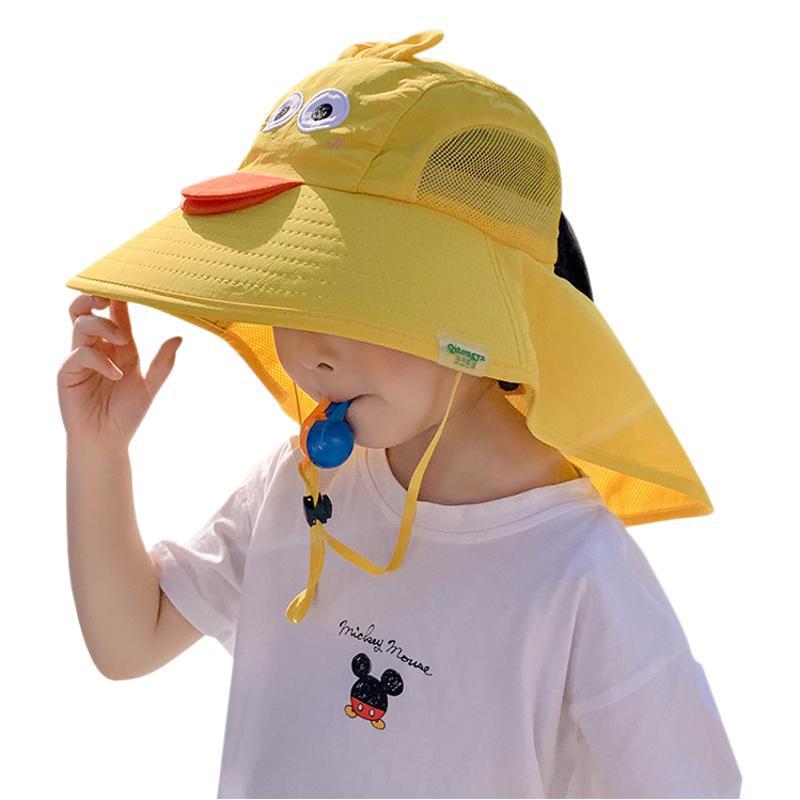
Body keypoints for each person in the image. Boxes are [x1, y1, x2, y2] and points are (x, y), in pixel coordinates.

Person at [59, 29, 743, 798]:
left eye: (357, 301)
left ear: (480, 314)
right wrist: (98, 451)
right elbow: (131, 639)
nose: (310, 351)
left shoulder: (579, 571)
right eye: (290, 294)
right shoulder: (302, 485)